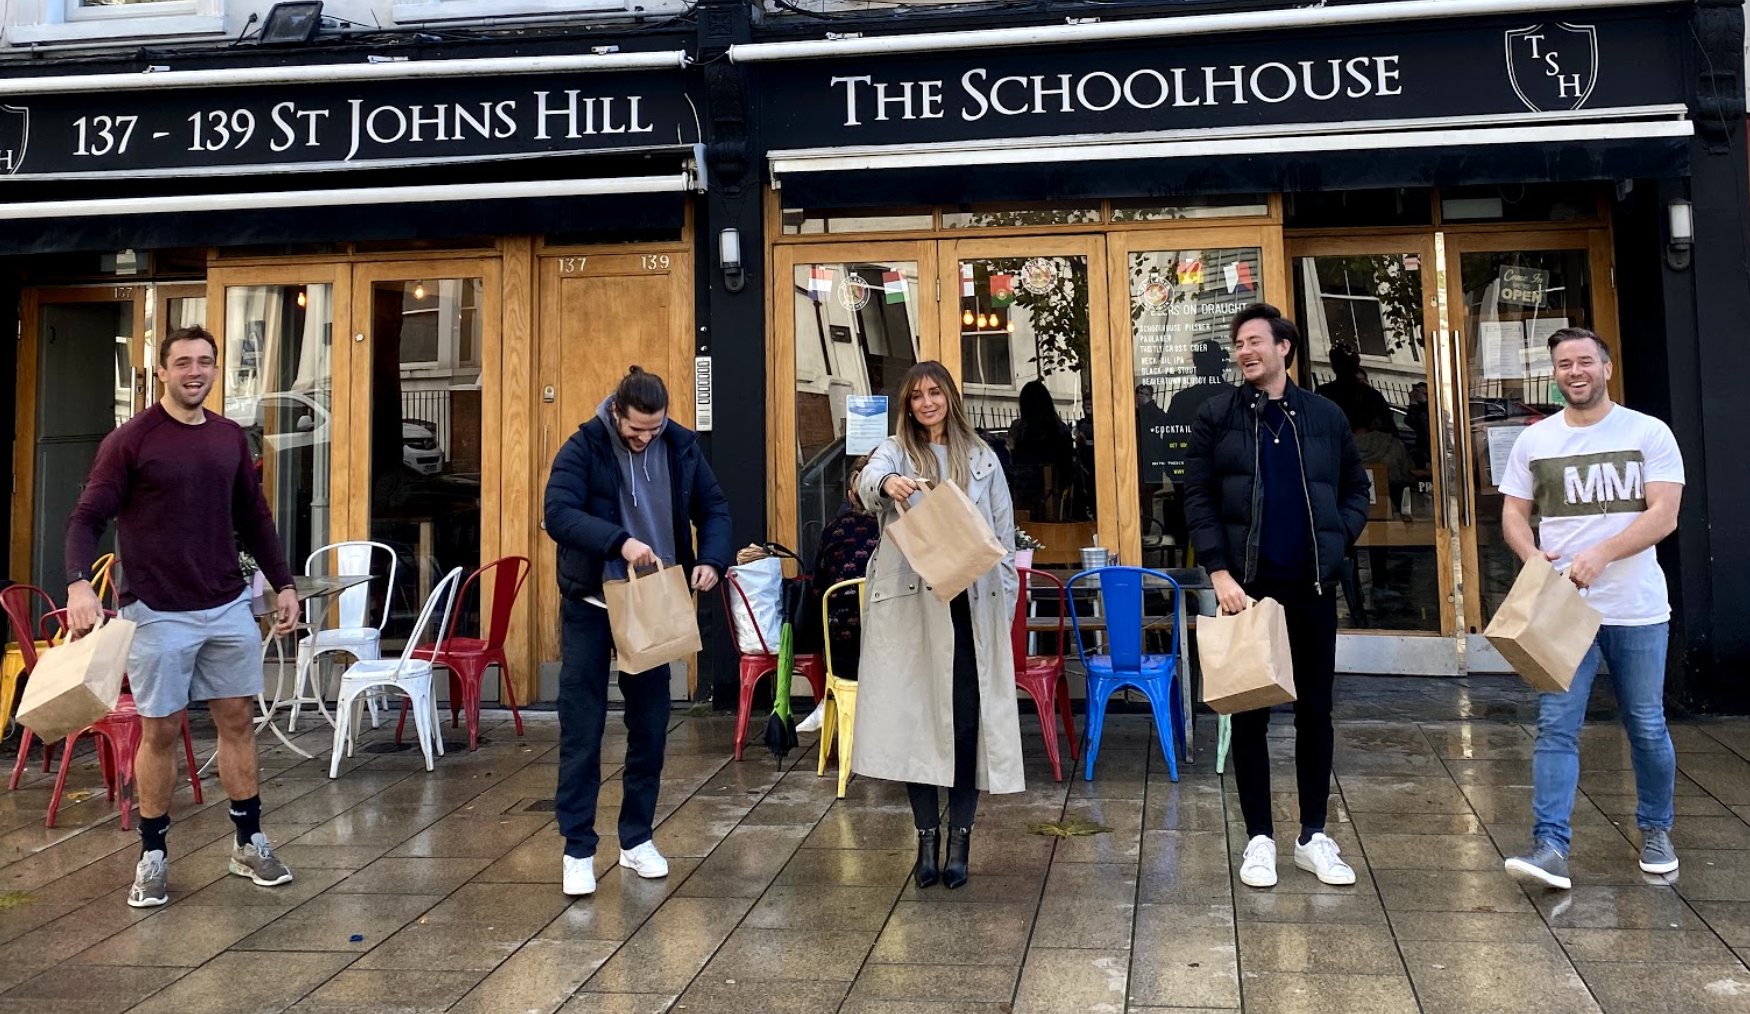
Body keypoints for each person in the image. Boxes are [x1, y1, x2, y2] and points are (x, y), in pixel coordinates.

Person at [64, 324, 301, 909]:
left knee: (238, 720)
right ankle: (153, 856)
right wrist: (77, 583)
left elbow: (256, 518)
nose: (195, 372)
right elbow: (86, 518)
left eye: (205, 362)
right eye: (183, 362)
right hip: (157, 611)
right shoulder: (132, 440)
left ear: (216, 370)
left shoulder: (228, 438)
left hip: (225, 605)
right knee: (162, 730)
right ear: (163, 371)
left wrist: (283, 584)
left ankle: (248, 844)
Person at [1182, 304, 1370, 890]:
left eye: (1256, 342)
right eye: (1238, 344)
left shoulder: (1325, 416)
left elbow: (1356, 488)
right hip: (1247, 593)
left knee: (1316, 713)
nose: (1245, 352)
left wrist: (1337, 542)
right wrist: (1218, 570)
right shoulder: (1217, 416)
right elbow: (1198, 497)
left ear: (1284, 347)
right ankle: (1258, 838)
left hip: (1312, 588)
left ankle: (1313, 835)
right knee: (1249, 714)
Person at [1499, 328, 1684, 890]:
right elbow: (1513, 512)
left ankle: (1656, 831)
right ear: (1554, 375)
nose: (1574, 372)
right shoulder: (1536, 439)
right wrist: (1533, 558)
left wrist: (1601, 553)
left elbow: (1665, 515)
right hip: (1563, 611)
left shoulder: (1648, 432)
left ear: (1606, 367)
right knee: (1556, 726)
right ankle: (1549, 845)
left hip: (1637, 608)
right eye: (1563, 365)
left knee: (1646, 726)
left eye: (1584, 362)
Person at [543, 366, 732, 898]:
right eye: (636, 430)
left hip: (653, 604)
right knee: (582, 727)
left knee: (649, 727)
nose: (645, 438)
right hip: (591, 602)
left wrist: (713, 559)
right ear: (615, 412)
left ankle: (636, 839)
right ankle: (578, 849)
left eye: (654, 428)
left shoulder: (681, 447)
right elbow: (557, 514)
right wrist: (618, 542)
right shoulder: (583, 446)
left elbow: (713, 507)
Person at [855, 361, 1024, 891]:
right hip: (913, 609)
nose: (927, 402)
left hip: (970, 607)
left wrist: (1004, 603)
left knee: (966, 726)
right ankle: (925, 838)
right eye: (916, 396)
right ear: (906, 404)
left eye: (935, 393)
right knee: (917, 723)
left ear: (950, 396)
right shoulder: (895, 451)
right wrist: (888, 482)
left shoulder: (982, 458)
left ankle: (960, 841)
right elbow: (866, 481)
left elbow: (1003, 535)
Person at [795, 455, 882, 734]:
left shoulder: (833, 529)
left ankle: (830, 699)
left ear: (849, 495)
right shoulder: (892, 530)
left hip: (842, 650)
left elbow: (819, 587)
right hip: (886, 642)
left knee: (828, 617)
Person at [1006, 380, 1073, 520]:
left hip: (1023, 492)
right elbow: (1068, 467)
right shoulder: (1060, 430)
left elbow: (1012, 461)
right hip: (1054, 494)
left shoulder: (1020, 430)